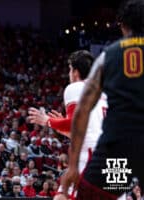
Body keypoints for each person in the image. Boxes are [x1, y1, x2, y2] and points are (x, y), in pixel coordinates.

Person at [61, 0, 144, 199]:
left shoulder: (109, 55)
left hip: (120, 151)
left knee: (93, 195)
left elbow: (82, 110)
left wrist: (73, 167)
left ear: (123, 25)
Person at [28, 50, 107, 198]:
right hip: (116, 157)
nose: (69, 74)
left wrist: (47, 121)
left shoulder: (76, 87)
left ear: (75, 72)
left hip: (92, 156)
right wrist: (59, 125)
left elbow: (73, 124)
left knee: (62, 196)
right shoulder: (105, 92)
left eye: (70, 69)